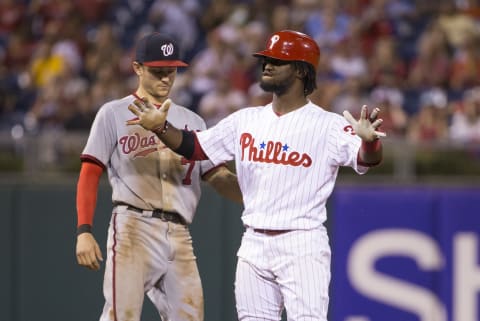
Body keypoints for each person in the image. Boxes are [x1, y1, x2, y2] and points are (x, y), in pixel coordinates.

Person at [127, 30, 385, 321]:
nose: (267, 65)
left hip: (301, 244)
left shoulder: (328, 125)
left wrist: (370, 141)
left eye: (277, 61)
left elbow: (366, 159)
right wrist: (161, 128)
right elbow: (195, 147)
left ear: (301, 70)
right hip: (253, 243)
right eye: (266, 59)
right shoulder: (246, 120)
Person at [75, 32, 242, 321]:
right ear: (137, 68)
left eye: (171, 71)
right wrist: (84, 231)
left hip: (179, 234)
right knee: (121, 316)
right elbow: (90, 173)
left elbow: (217, 176)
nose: (165, 78)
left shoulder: (193, 121)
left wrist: (258, 196)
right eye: (157, 71)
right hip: (133, 227)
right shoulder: (113, 113)